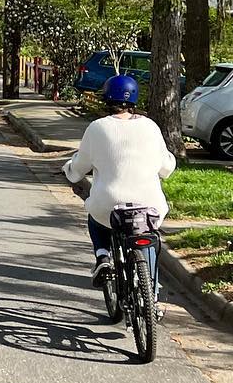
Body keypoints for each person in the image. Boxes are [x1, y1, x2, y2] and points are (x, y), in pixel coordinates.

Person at [61, 75, 176, 288]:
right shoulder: (150, 127)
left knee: (96, 220)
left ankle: (103, 257)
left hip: (109, 205)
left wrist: (69, 170)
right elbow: (166, 168)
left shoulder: (97, 127)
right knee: (147, 234)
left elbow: (78, 168)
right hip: (149, 206)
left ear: (106, 99)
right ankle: (151, 291)